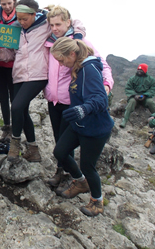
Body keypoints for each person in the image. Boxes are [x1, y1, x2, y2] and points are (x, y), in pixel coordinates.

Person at [43, 5, 114, 192]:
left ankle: (72, 177)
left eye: (58, 24)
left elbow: (102, 65)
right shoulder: (51, 43)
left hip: (70, 101)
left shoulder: (80, 43)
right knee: (59, 141)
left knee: (67, 143)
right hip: (54, 100)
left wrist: (106, 85)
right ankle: (62, 171)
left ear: (69, 23)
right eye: (51, 25)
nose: (55, 28)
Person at [50, 37, 114, 217]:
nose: (61, 64)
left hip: (95, 128)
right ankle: (80, 182)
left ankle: (97, 201)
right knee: (60, 152)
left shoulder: (89, 70)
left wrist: (83, 109)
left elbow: (101, 99)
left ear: (72, 53)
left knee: (88, 166)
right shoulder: (78, 68)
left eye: (62, 60)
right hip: (80, 124)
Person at [7, 0, 50, 163]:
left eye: (25, 18)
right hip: (19, 76)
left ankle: (15, 144)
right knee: (22, 111)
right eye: (19, 18)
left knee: (16, 107)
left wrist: (78, 33)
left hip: (37, 75)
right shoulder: (16, 29)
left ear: (34, 14)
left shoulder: (45, 25)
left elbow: (72, 21)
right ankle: (33, 151)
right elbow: (10, 54)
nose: (22, 22)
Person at [0, 0, 19, 142]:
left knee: (14, 97)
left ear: (14, 1)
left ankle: (16, 127)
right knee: (2, 96)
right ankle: (6, 126)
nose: (7, 6)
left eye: (9, 3)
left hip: (14, 66)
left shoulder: (19, 17)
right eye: (4, 3)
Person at [120, 63, 155, 128]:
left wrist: (145, 95)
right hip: (134, 97)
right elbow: (128, 88)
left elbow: (153, 89)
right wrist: (134, 95)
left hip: (145, 97)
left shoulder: (151, 80)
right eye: (138, 69)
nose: (139, 71)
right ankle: (124, 120)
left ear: (145, 71)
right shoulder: (132, 79)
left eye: (141, 70)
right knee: (131, 102)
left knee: (150, 102)